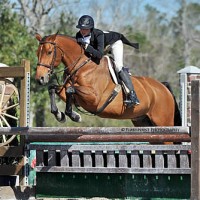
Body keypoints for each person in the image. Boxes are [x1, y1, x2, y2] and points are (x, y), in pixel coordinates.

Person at [76, 15, 140, 106]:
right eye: (81, 28)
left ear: (91, 28)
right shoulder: (78, 35)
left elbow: (99, 54)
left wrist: (87, 47)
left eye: (85, 29)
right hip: (101, 47)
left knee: (118, 66)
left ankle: (133, 95)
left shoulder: (98, 34)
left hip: (114, 43)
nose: (82, 31)